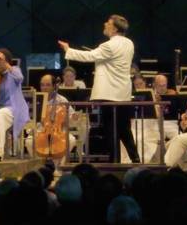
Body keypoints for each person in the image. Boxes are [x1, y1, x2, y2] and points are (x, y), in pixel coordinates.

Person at [58, 14, 140, 163]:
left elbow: (90, 56)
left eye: (108, 23)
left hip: (109, 93)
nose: (104, 24)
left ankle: (115, 161)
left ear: (114, 28)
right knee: (123, 128)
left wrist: (68, 50)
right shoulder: (129, 43)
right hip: (122, 92)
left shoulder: (108, 45)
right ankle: (135, 158)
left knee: (110, 128)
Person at [25, 75, 82, 160]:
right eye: (42, 85)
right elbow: (29, 119)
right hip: (40, 130)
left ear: (54, 86)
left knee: (71, 140)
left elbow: (71, 116)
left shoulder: (62, 100)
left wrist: (74, 117)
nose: (44, 87)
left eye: (48, 85)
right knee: (29, 141)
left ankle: (59, 166)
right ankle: (38, 165)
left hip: (59, 131)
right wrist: (32, 128)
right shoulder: (36, 99)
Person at [0, 48, 29, 159]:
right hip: (0, 109)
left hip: (14, 108)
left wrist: (6, 64)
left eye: (0, 60)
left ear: (6, 60)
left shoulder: (14, 70)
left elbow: (20, 78)